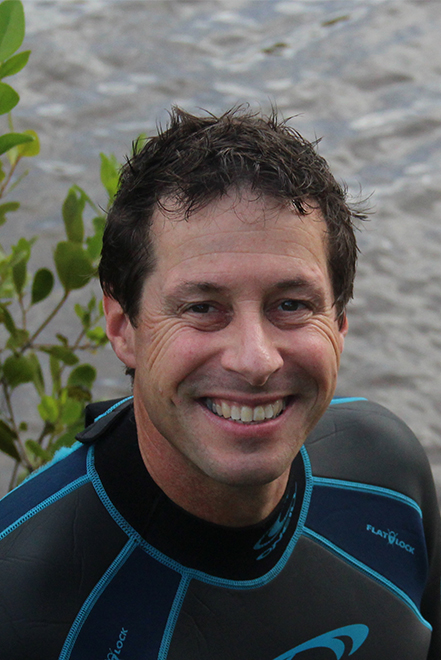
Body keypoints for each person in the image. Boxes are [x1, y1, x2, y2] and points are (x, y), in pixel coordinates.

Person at [0, 107, 439, 660]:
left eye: (291, 305)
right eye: (202, 307)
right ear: (122, 327)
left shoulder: (388, 475)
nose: (255, 360)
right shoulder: (15, 601)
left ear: (340, 323)